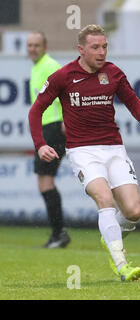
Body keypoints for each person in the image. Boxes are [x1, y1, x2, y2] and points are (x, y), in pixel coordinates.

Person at [28, 24, 140, 282]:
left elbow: (132, 100)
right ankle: (121, 264)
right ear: (81, 49)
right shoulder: (63, 76)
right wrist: (40, 144)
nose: (102, 52)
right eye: (95, 47)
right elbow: (36, 110)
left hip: (114, 148)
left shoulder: (113, 73)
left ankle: (109, 236)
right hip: (83, 152)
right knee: (105, 200)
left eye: (105, 46)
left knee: (133, 212)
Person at [26, 31, 70, 248]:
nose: (32, 48)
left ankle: (59, 233)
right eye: (29, 45)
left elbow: (66, 91)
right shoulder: (37, 67)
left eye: (36, 45)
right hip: (46, 128)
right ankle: (58, 233)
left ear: (45, 46)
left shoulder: (49, 65)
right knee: (44, 182)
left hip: (54, 128)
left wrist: (65, 120)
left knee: (46, 182)